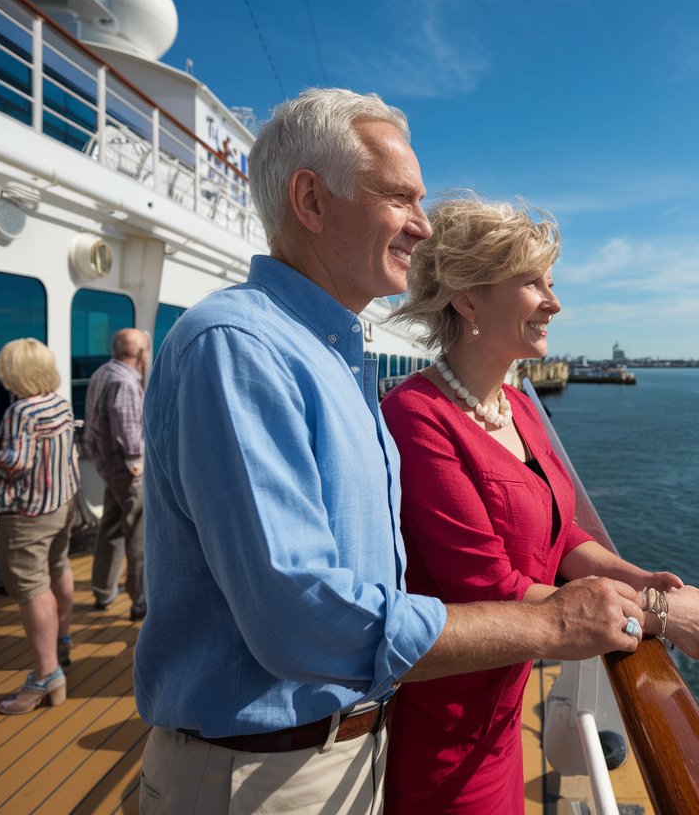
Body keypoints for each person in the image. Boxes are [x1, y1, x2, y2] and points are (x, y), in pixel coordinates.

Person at [134, 88, 646, 815]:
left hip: (344, 752)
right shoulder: (239, 348)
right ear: (311, 200)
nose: (422, 224)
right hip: (262, 777)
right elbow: (301, 617)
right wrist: (558, 624)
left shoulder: (336, 357)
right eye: (401, 198)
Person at [380, 194, 699, 814]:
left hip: (504, 712)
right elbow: (491, 586)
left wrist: (639, 579)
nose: (555, 301)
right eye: (532, 283)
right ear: (468, 299)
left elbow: (559, 530)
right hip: (444, 727)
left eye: (552, 281)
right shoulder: (417, 418)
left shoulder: (516, 404)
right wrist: (657, 613)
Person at [0, 338, 79, 714]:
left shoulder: (21, 412)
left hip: (26, 515)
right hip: (59, 505)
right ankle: (63, 643)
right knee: (58, 570)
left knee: (31, 590)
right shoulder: (60, 402)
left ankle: (46, 674)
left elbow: (15, 463)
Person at [82, 327, 149, 620]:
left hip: (108, 467)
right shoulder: (126, 382)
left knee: (110, 526)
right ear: (139, 354)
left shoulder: (102, 372)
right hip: (128, 470)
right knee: (140, 534)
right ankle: (141, 600)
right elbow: (129, 433)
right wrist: (137, 468)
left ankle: (103, 589)